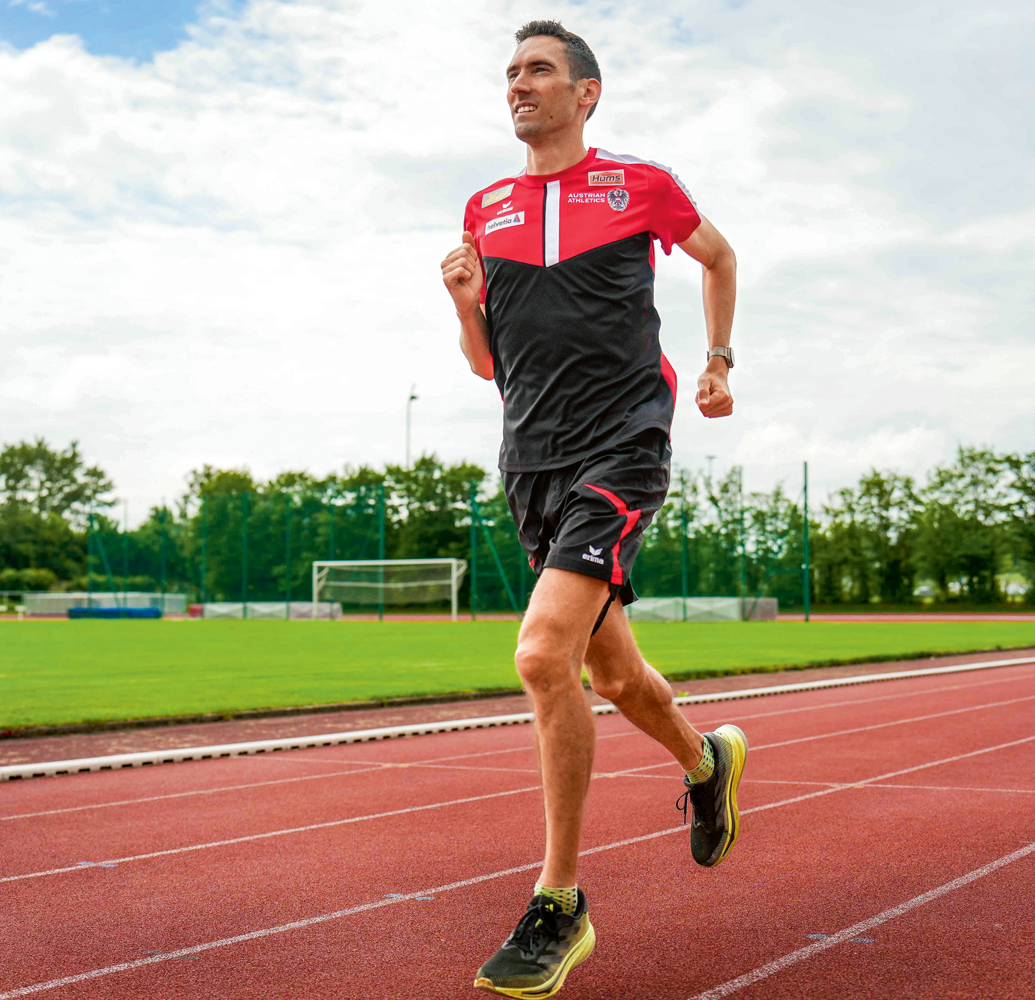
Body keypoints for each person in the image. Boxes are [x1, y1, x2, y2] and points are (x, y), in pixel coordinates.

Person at [440, 20, 747, 998]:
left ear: (586, 93)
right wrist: (464, 304)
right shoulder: (484, 209)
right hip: (531, 460)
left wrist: (717, 361)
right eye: (511, 72)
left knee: (543, 655)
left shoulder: (638, 186)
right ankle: (706, 763)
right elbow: (489, 365)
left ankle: (560, 902)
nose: (518, 84)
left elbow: (719, 256)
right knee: (611, 672)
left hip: (623, 444)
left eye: (538, 70)